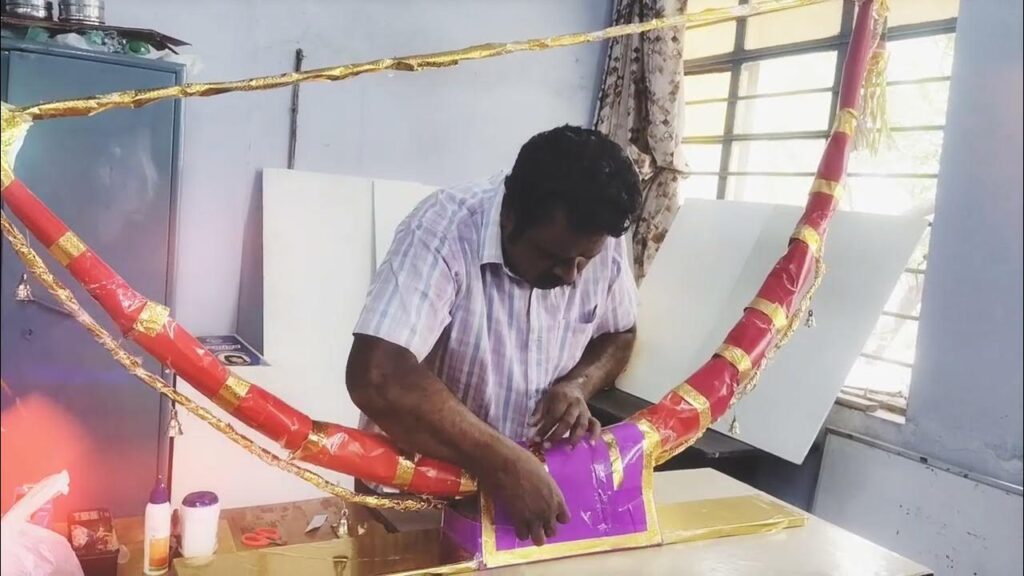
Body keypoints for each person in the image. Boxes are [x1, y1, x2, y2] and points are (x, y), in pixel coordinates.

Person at [346, 125, 642, 546]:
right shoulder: (443, 229)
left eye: (584, 260)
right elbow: (377, 376)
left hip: (526, 495)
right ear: (510, 214)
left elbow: (620, 333)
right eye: (553, 257)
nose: (571, 276)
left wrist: (577, 384)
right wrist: (502, 462)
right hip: (417, 493)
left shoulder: (598, 234)